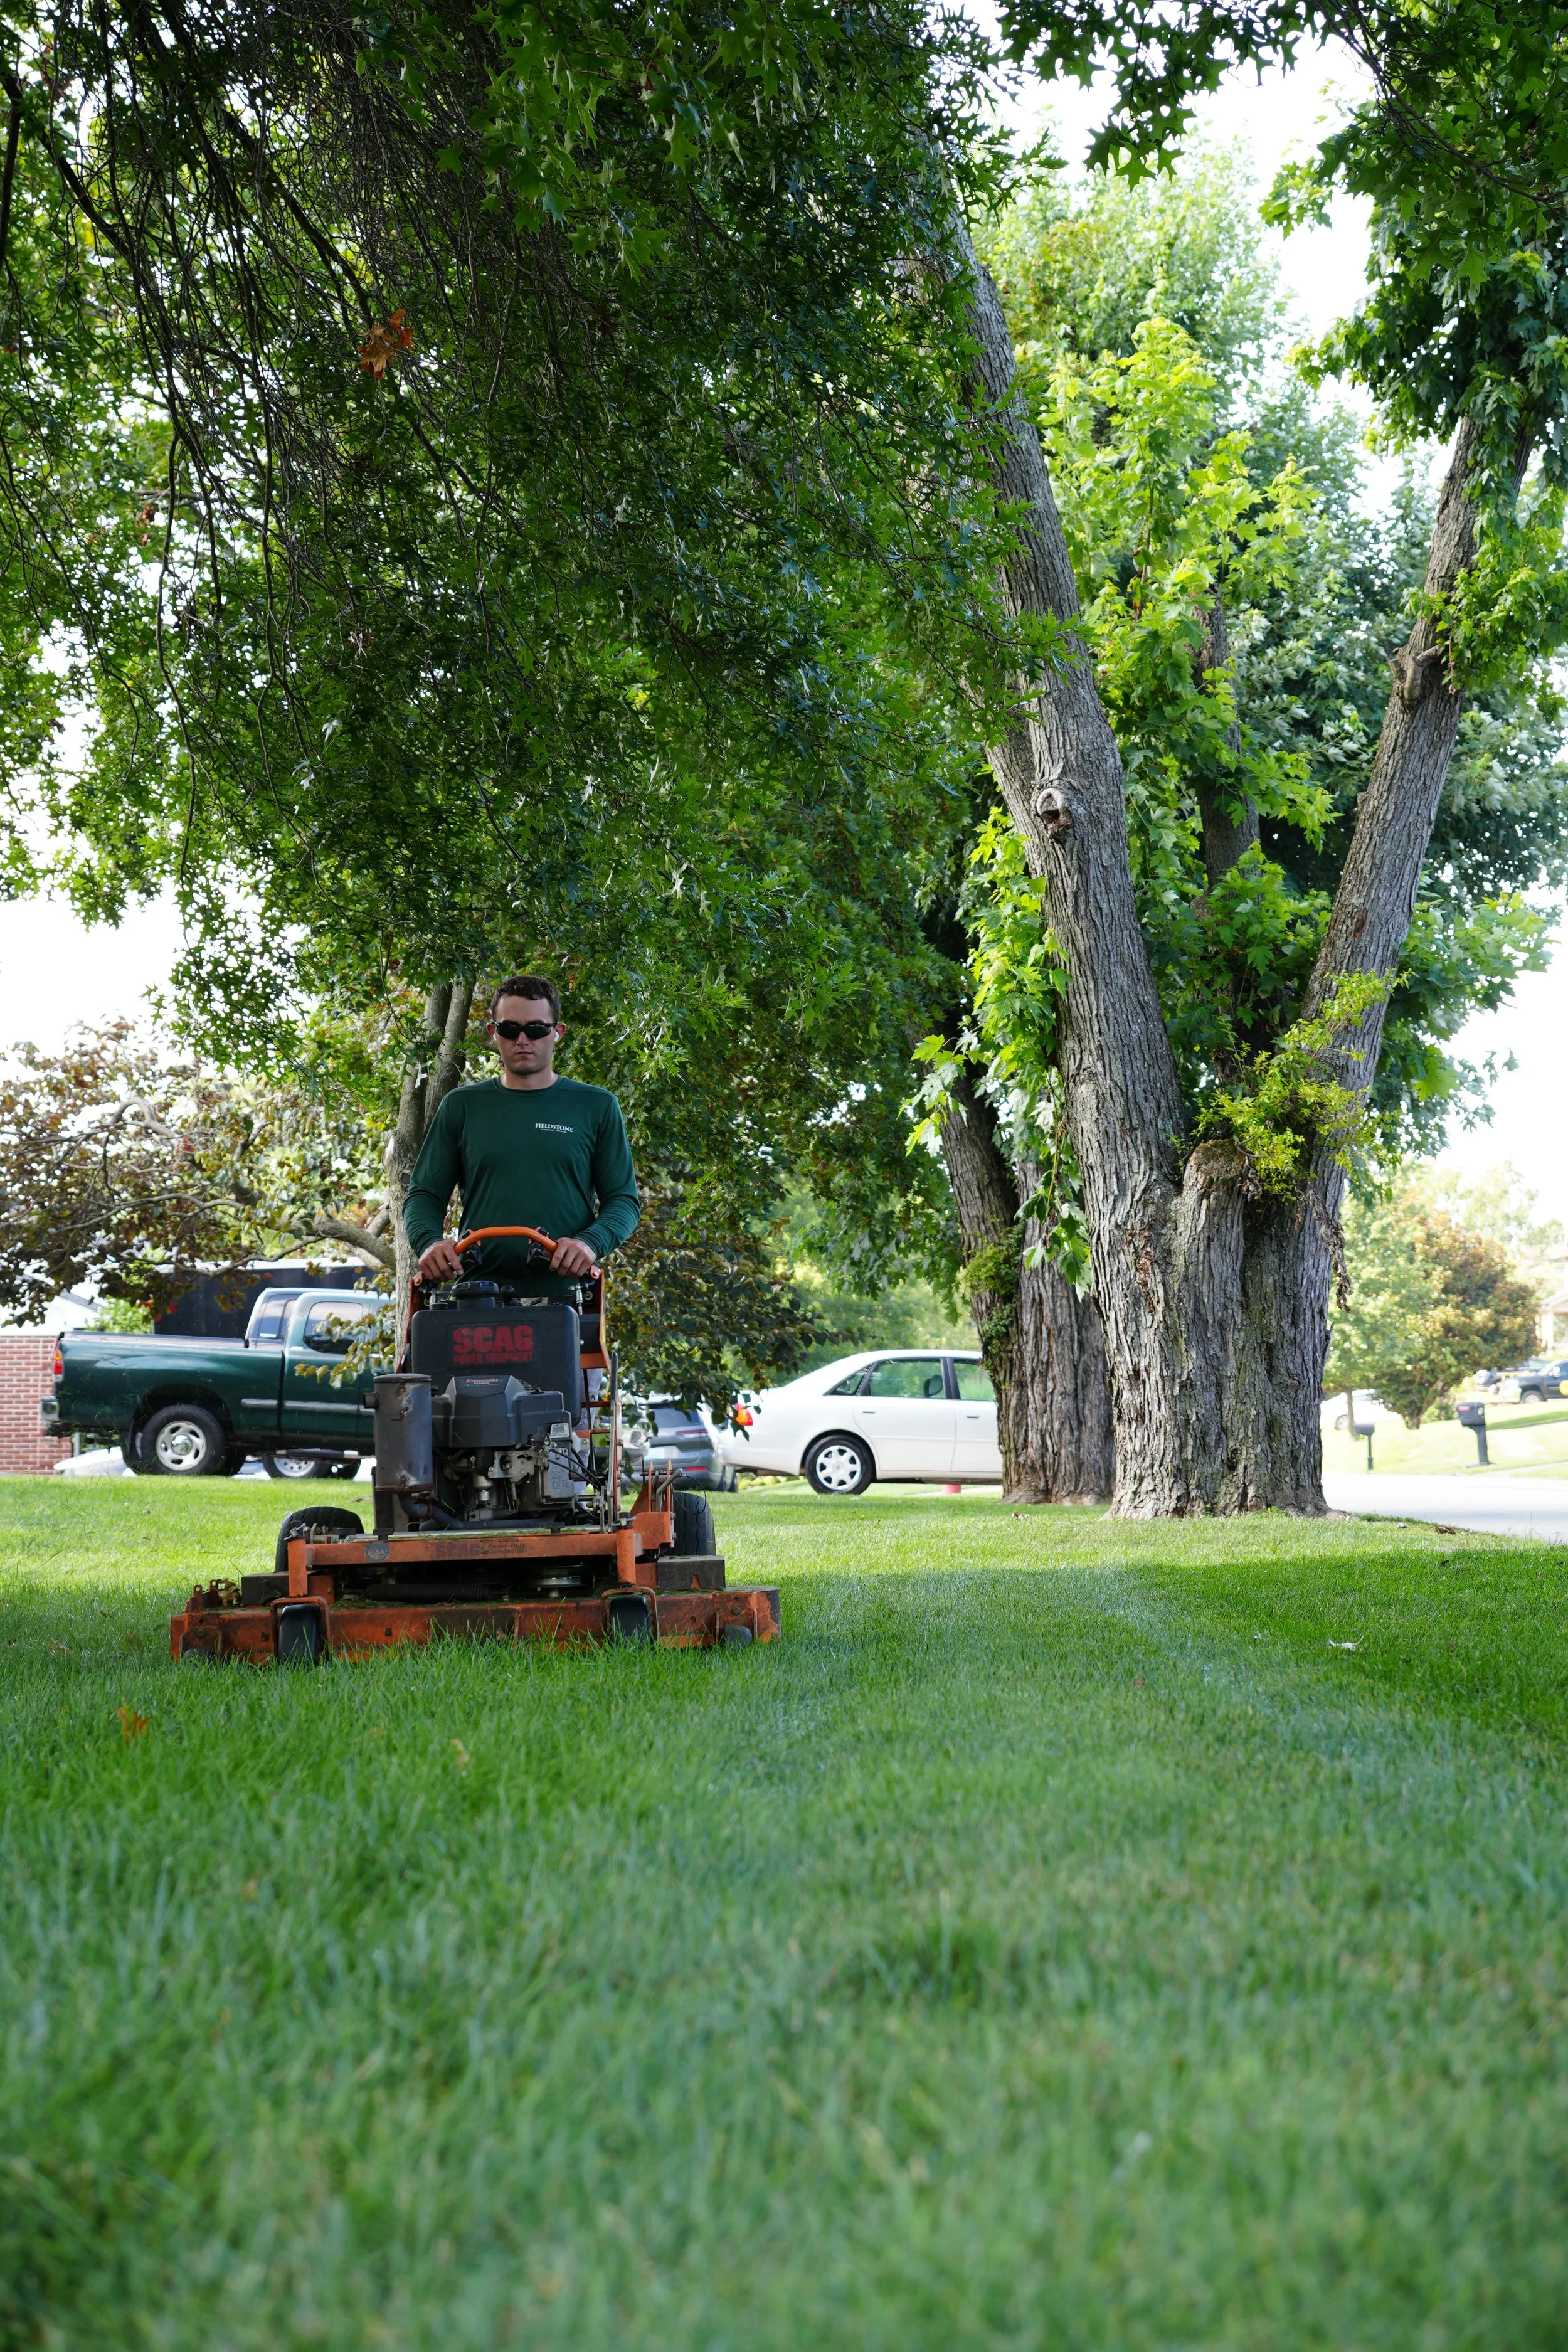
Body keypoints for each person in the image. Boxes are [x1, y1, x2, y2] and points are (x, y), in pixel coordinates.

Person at [403, 976, 640, 1299]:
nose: (523, 1040)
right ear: (493, 1033)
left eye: (537, 1029)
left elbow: (624, 1201)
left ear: (558, 1033)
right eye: (510, 1029)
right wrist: (429, 1243)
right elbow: (424, 1194)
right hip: (477, 1297)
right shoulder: (462, 1106)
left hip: (568, 1299)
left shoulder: (596, 1106)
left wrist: (589, 1243)